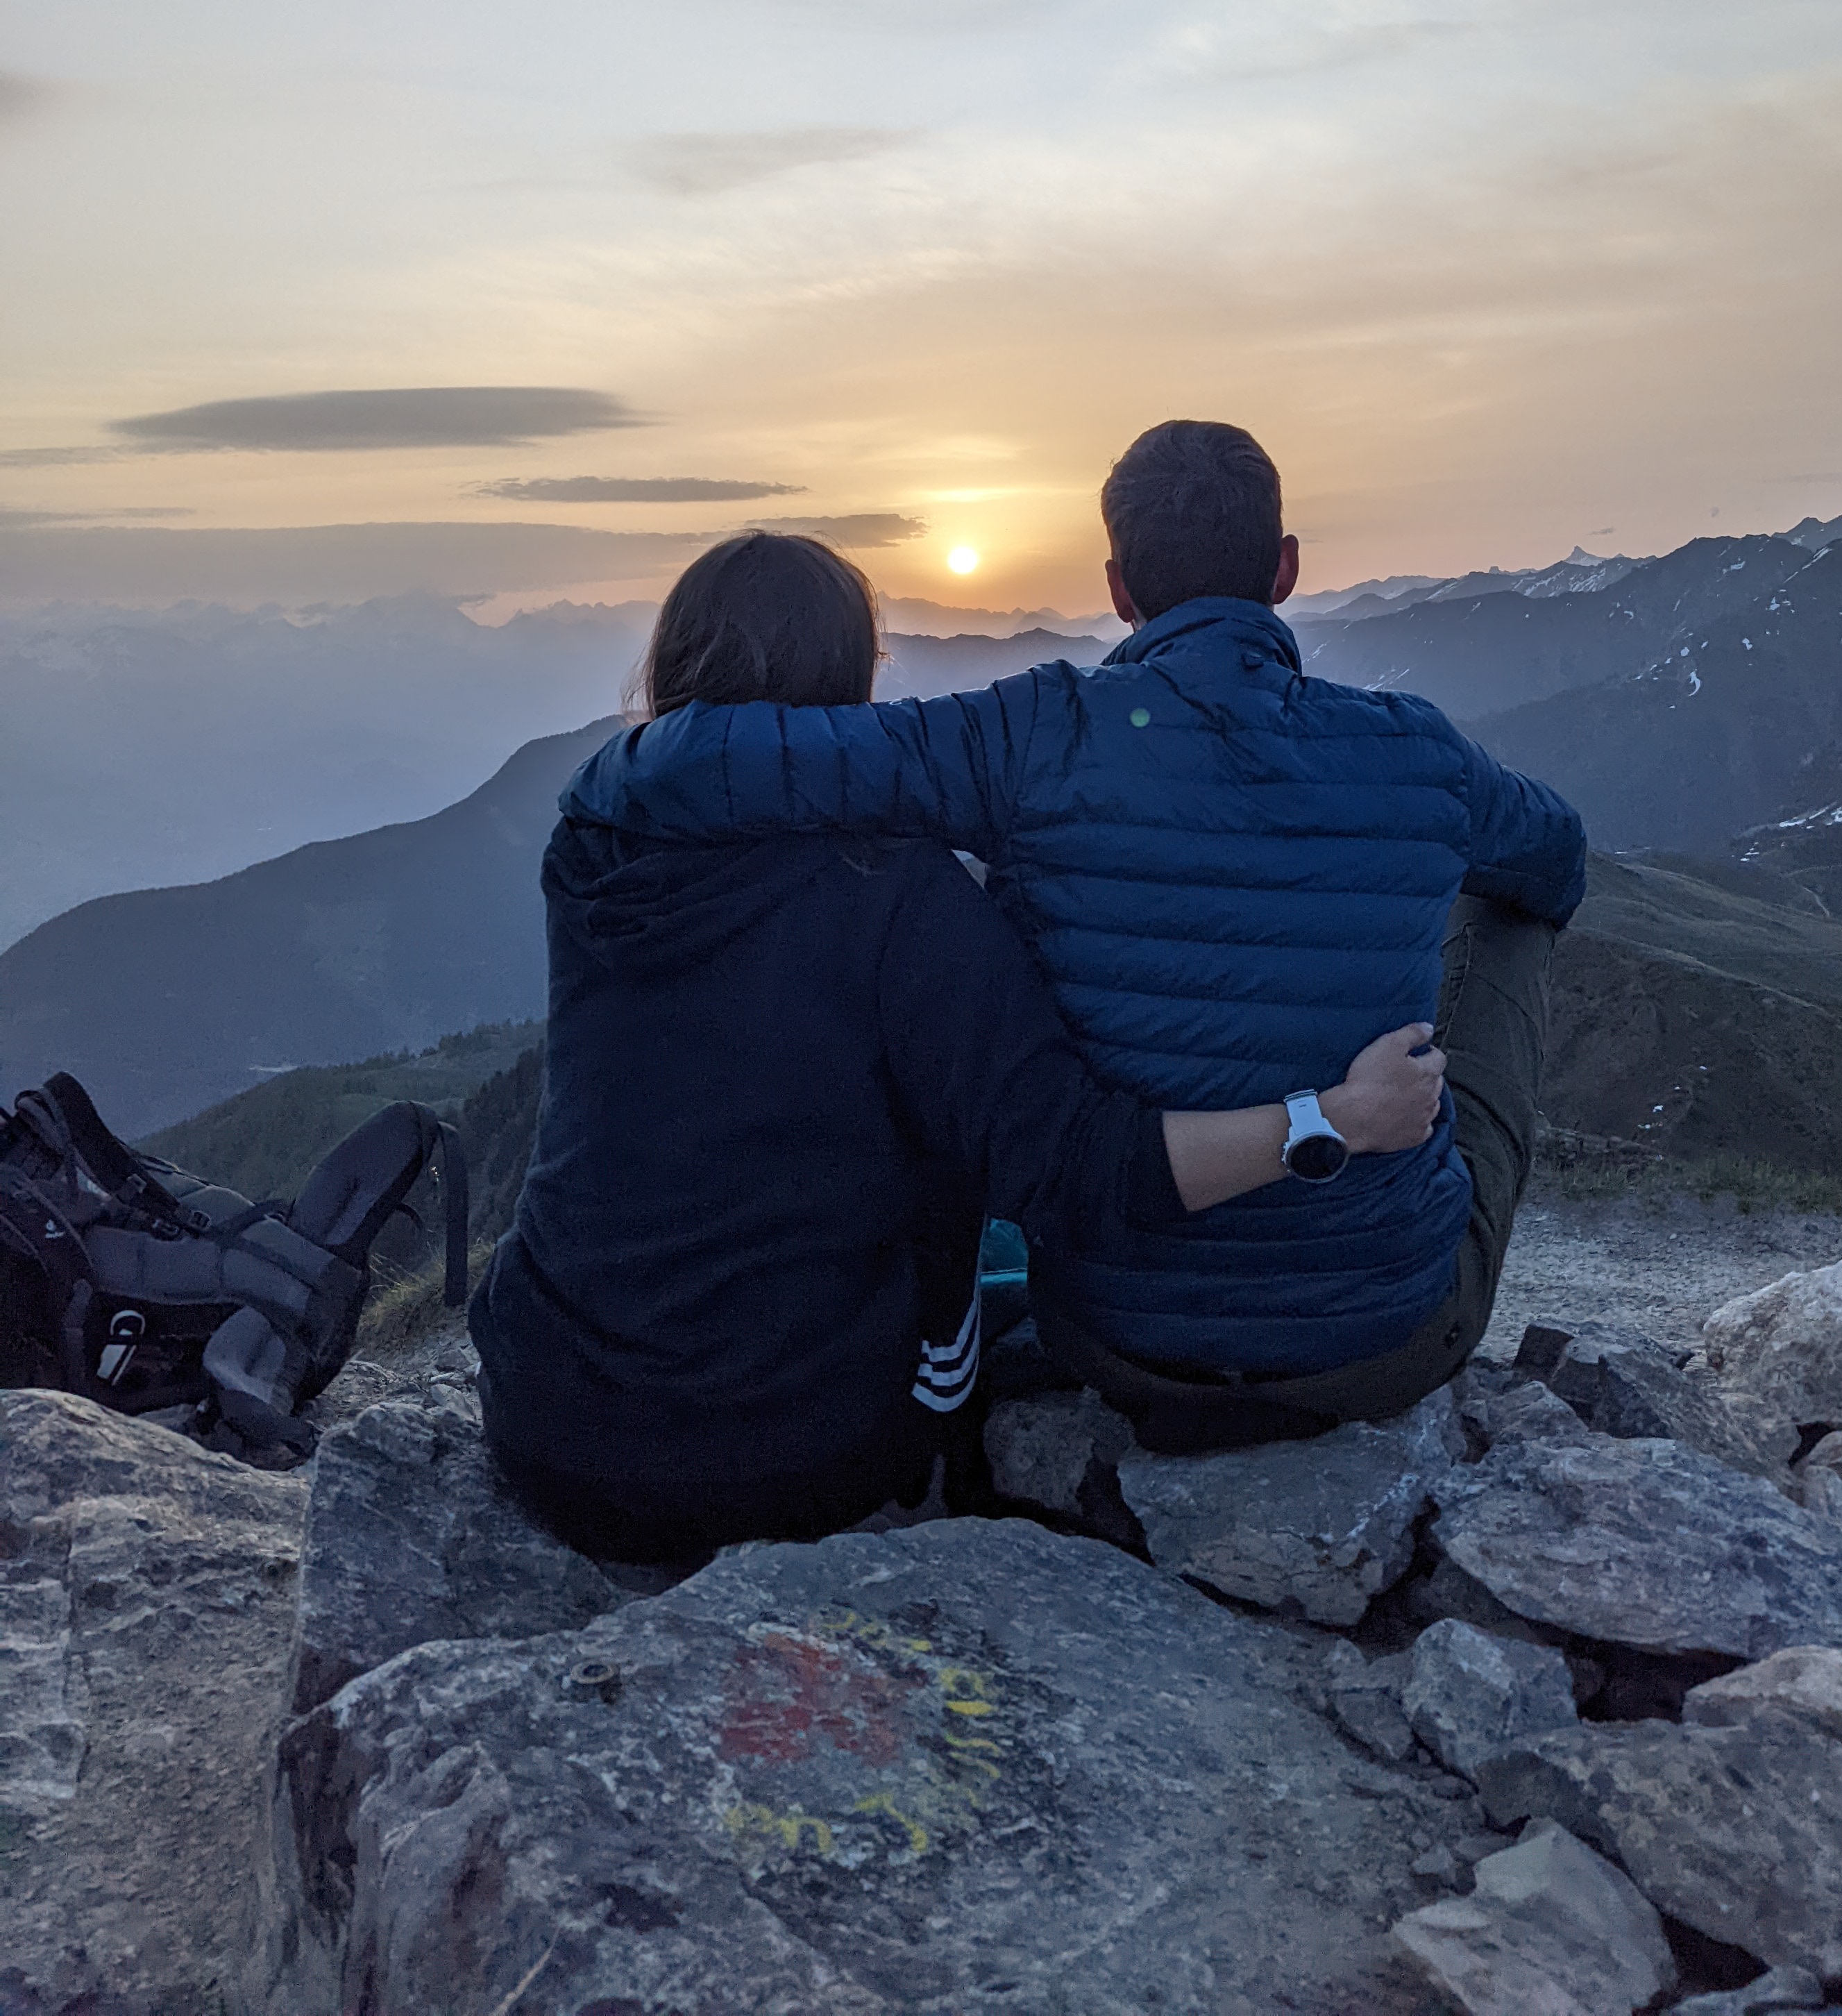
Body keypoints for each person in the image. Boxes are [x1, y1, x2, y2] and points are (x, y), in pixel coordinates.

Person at [563, 423, 1587, 1454]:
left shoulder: (1026, 738)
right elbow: (1558, 864)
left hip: (1113, 1333)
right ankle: (1387, 1174)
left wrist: (627, 760)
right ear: (1285, 570)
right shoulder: (1419, 750)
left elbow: (728, 759)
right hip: (1384, 1338)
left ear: (1117, 586)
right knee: (1506, 918)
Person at [471, 530, 1446, 1561]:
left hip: (547, 1422)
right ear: (852, 680)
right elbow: (1080, 1168)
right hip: (778, 1459)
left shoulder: (593, 847)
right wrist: (1333, 1119)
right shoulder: (893, 891)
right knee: (989, 1237)